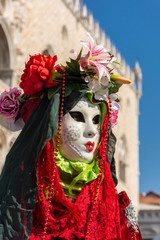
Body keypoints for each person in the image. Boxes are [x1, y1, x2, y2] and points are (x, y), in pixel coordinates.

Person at [0, 33, 142, 240]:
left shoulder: (118, 213)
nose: (92, 131)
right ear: (50, 125)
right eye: (77, 116)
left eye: (96, 121)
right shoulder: (19, 205)